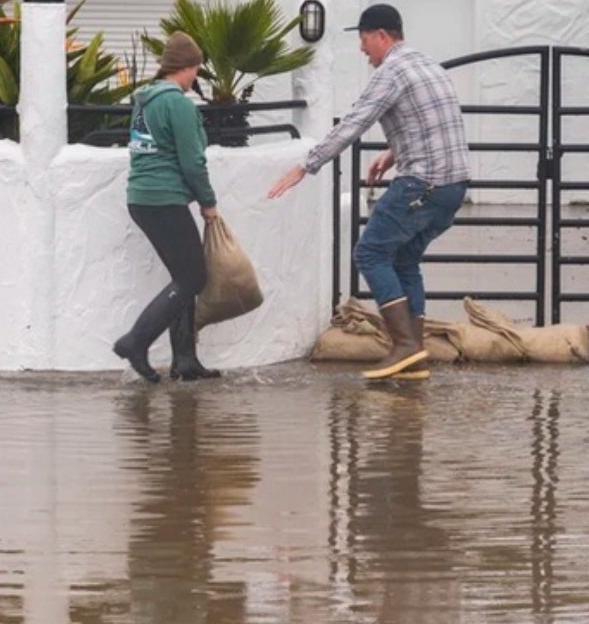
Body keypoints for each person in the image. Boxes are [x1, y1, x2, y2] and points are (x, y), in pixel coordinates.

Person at [268, 3, 470, 381]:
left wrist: (305, 165)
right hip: (453, 186)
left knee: (370, 252)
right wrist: (392, 155)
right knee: (404, 259)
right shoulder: (428, 65)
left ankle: (404, 345)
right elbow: (433, 123)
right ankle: (415, 355)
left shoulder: (391, 71)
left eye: (363, 40)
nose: (362, 50)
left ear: (381, 36)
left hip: (423, 183)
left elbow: (354, 123)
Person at [113, 32, 222, 384]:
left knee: (184, 279)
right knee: (194, 277)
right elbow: (193, 161)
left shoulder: (145, 100)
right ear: (185, 67)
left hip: (143, 199)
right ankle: (136, 341)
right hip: (164, 200)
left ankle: (185, 361)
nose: (196, 78)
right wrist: (208, 202)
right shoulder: (177, 103)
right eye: (195, 70)